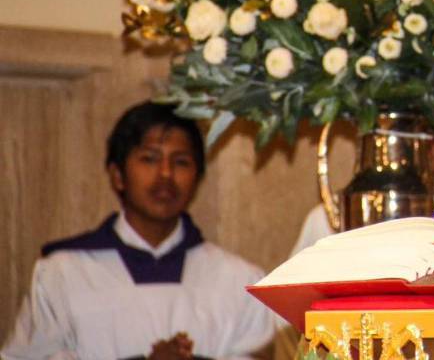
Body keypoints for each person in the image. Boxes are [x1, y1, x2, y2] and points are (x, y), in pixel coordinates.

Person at [3, 101, 276, 360]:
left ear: (197, 179)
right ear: (118, 175)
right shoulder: (63, 274)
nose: (166, 174)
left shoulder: (240, 282)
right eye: (149, 159)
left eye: (181, 161)